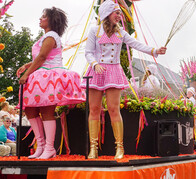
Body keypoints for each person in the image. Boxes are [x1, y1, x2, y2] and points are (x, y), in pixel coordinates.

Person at [80, 0, 166, 159]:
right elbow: (88, 52)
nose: (120, 16)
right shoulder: (94, 30)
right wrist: (94, 64)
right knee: (94, 109)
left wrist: (155, 50)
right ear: (106, 13)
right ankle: (93, 148)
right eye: (117, 12)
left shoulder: (121, 33)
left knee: (114, 109)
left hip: (113, 71)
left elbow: (137, 45)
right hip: (96, 70)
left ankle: (119, 147)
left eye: (120, 12)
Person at [17, 7, 85, 159]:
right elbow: (42, 58)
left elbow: (42, 58)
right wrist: (27, 66)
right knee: (30, 110)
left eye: (43, 17)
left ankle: (49, 148)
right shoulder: (46, 36)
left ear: (51, 20)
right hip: (40, 76)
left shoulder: (51, 36)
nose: (40, 19)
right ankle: (41, 146)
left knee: (47, 111)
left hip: (49, 77)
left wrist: (26, 74)